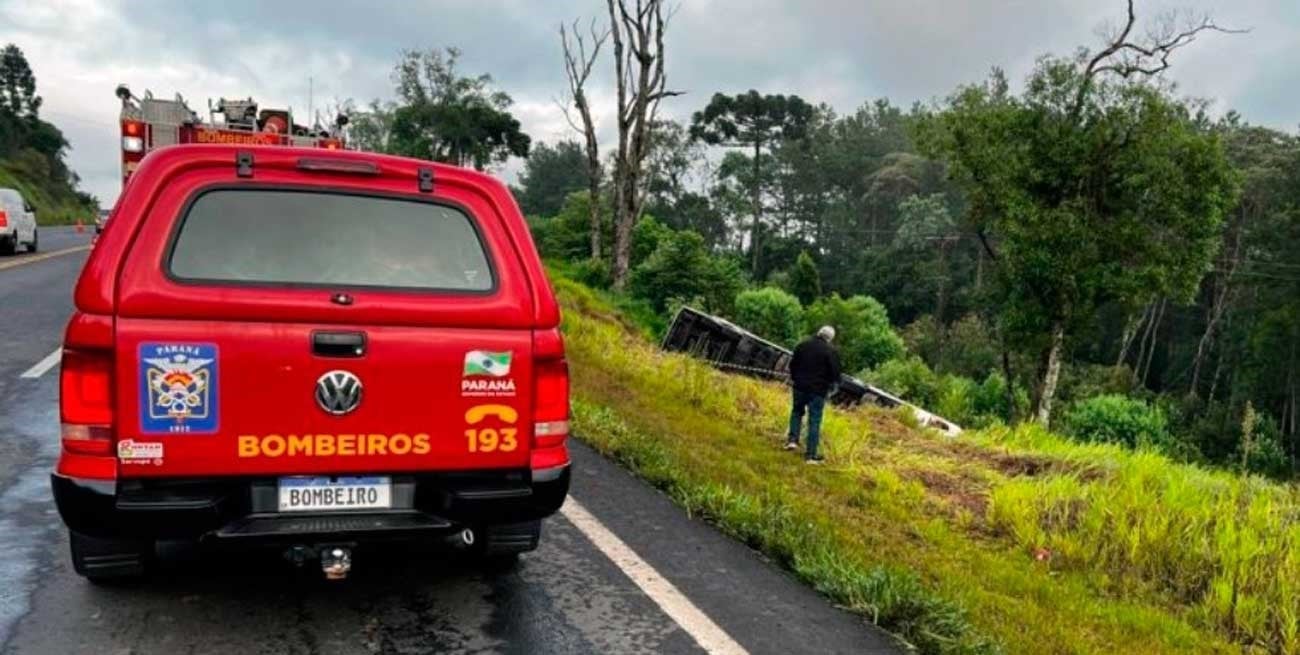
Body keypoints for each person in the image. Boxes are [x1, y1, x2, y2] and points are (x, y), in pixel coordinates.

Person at [785, 325, 841, 464]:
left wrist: (795, 378)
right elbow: (835, 373)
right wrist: (832, 387)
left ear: (818, 333)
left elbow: (792, 364)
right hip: (818, 391)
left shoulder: (803, 345)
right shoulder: (831, 351)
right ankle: (810, 455)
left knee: (796, 411)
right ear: (830, 338)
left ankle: (792, 440)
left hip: (799, 386)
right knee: (814, 421)